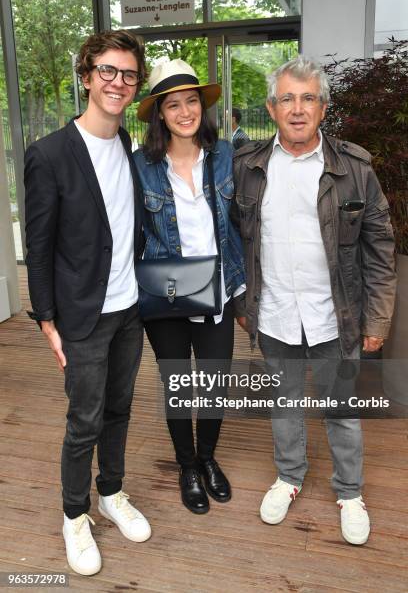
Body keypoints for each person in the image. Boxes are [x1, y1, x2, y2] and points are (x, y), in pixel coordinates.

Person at [232, 56, 396, 545]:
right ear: (272, 107)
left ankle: (349, 491)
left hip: (335, 316)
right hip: (276, 313)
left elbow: (380, 247)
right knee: (284, 405)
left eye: (308, 99)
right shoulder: (248, 167)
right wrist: (244, 305)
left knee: (341, 408)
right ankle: (288, 476)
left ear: (323, 108)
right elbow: (234, 242)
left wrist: (378, 316)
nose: (297, 109)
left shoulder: (354, 168)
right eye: (287, 99)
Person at [24, 30, 151, 577]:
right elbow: (39, 245)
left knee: (120, 410)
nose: (117, 82)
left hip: (130, 309)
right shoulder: (48, 154)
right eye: (107, 71)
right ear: (86, 77)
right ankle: (74, 514)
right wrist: (47, 320)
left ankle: (111, 493)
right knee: (85, 420)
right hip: (82, 316)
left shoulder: (129, 146)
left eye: (127, 74)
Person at [133, 59, 246, 515]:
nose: (185, 111)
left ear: (203, 106)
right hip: (167, 294)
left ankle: (208, 459)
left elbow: (244, 221)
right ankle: (187, 467)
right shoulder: (140, 165)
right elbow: (127, 230)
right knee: (178, 384)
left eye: (192, 101)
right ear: (160, 113)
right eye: (173, 104)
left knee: (215, 383)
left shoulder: (226, 156)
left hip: (218, 290)